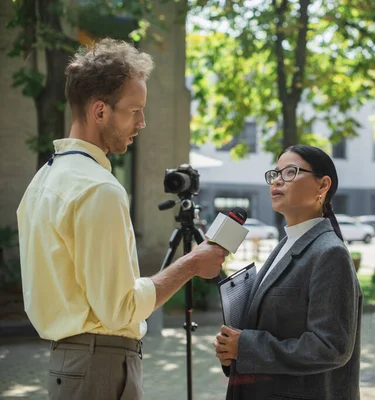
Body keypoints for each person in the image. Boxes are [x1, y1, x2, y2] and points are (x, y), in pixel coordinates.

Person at [16, 38, 226, 400]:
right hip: (100, 365)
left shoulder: (43, 181)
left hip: (68, 364)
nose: (142, 122)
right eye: (134, 111)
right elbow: (119, 310)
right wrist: (191, 264)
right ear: (100, 111)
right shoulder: (99, 189)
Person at [213, 145, 362, 400]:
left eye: (291, 172)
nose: (278, 180)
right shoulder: (286, 244)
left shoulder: (329, 253)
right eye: (275, 173)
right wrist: (231, 347)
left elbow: (331, 347)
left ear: (322, 186)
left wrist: (245, 346)